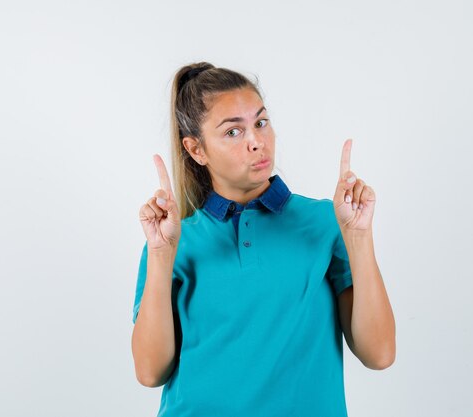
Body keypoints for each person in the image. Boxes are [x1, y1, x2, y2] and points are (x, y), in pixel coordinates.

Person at [131, 62, 396, 416]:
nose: (256, 141)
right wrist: (162, 254)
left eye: (260, 122)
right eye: (233, 132)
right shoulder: (172, 239)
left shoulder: (326, 221)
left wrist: (359, 237)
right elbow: (150, 372)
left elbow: (379, 353)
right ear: (196, 150)